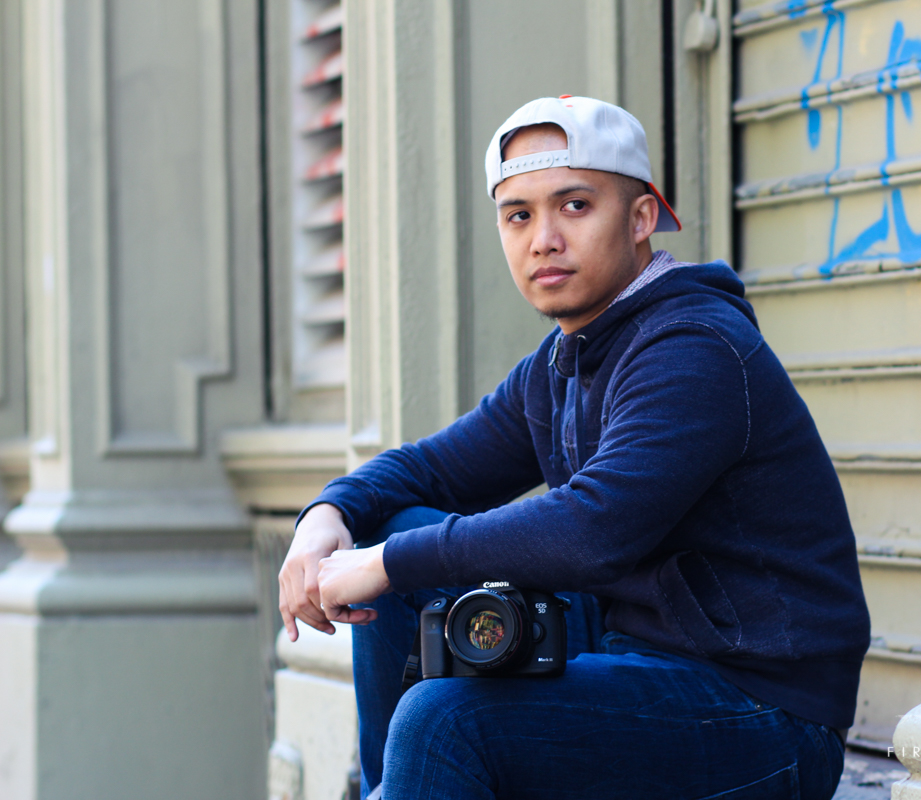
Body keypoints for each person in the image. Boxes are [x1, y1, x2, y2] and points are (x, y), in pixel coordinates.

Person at [279, 95, 870, 800]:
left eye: (575, 206)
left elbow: (593, 530)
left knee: (446, 716)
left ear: (640, 218)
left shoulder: (696, 348)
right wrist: (328, 515)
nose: (544, 239)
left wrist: (383, 564)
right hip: (630, 652)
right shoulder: (565, 361)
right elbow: (429, 469)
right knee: (393, 524)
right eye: (518, 215)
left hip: (762, 711)